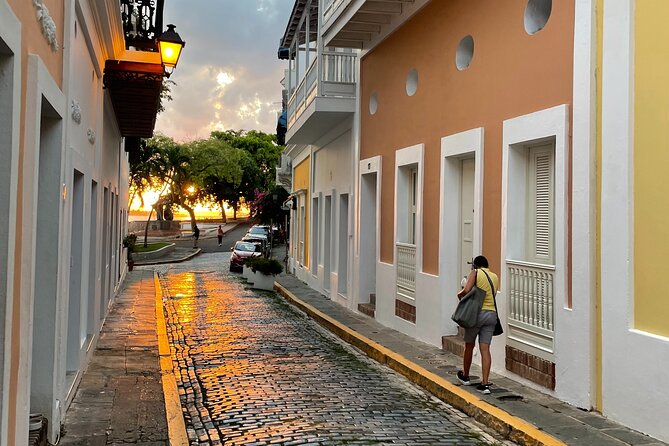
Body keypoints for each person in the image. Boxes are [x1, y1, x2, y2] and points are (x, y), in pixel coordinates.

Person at [456, 255, 499, 394]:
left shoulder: (475, 273)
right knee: (485, 349)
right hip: (491, 315)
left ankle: (466, 376)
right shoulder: (494, 276)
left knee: (469, 345)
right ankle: (485, 384)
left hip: (477, 314)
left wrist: (460, 294)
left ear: (475, 265)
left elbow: (467, 290)